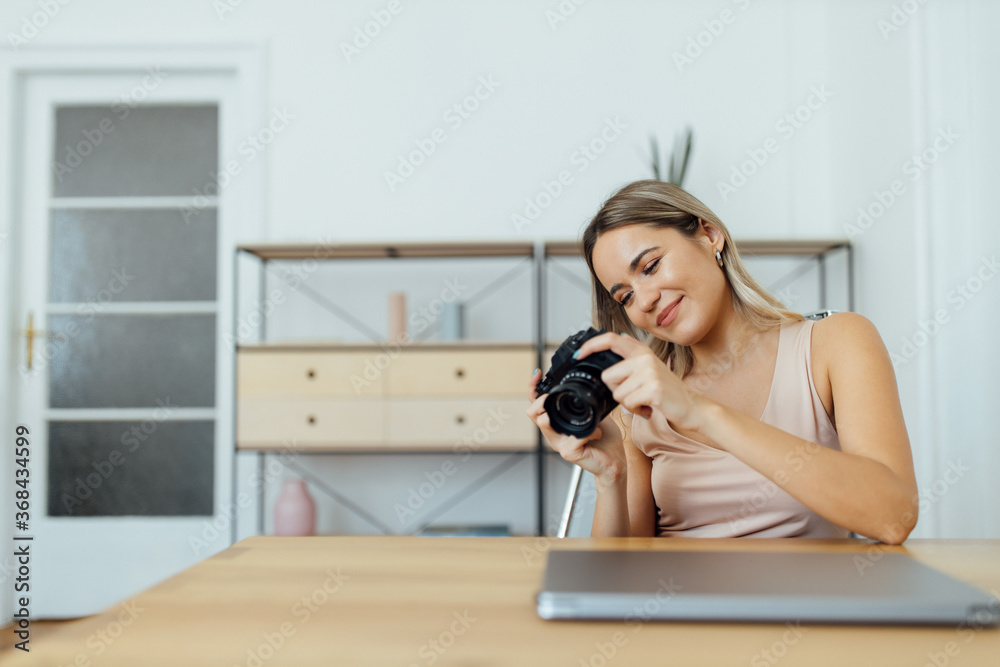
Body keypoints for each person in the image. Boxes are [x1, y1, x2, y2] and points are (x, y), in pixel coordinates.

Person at [527, 180, 918, 543]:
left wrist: (698, 411)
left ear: (709, 235)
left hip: (804, 613)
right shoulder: (640, 403)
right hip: (679, 611)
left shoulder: (835, 342)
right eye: (625, 297)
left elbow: (893, 516)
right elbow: (616, 582)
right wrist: (610, 476)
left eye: (650, 267)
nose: (644, 300)